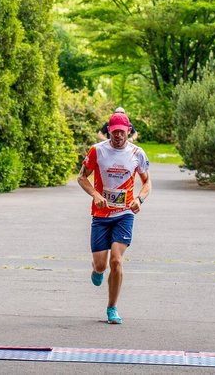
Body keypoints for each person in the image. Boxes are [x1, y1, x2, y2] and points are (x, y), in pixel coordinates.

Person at [77, 112, 151, 325]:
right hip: (101, 214)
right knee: (101, 266)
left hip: (124, 213)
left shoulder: (137, 153)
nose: (118, 135)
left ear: (129, 131)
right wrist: (96, 195)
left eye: (122, 131)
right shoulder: (97, 151)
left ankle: (112, 308)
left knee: (116, 261)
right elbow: (82, 177)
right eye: (114, 131)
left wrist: (140, 199)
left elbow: (147, 183)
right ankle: (96, 269)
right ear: (108, 130)